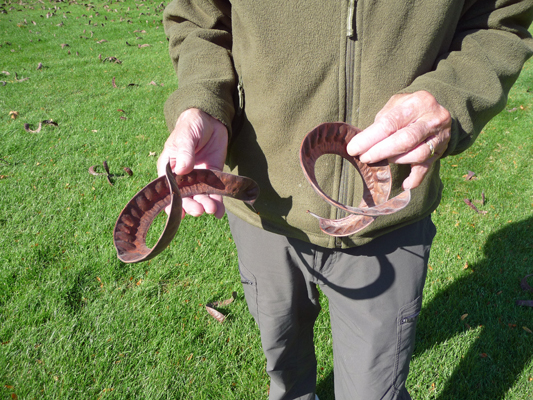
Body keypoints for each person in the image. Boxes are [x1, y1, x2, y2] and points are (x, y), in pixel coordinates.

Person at [157, 2, 533, 399]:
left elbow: (499, 22)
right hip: (265, 212)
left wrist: (452, 96)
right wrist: (203, 100)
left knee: (375, 391)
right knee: (285, 372)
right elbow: (197, 18)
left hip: (387, 226)